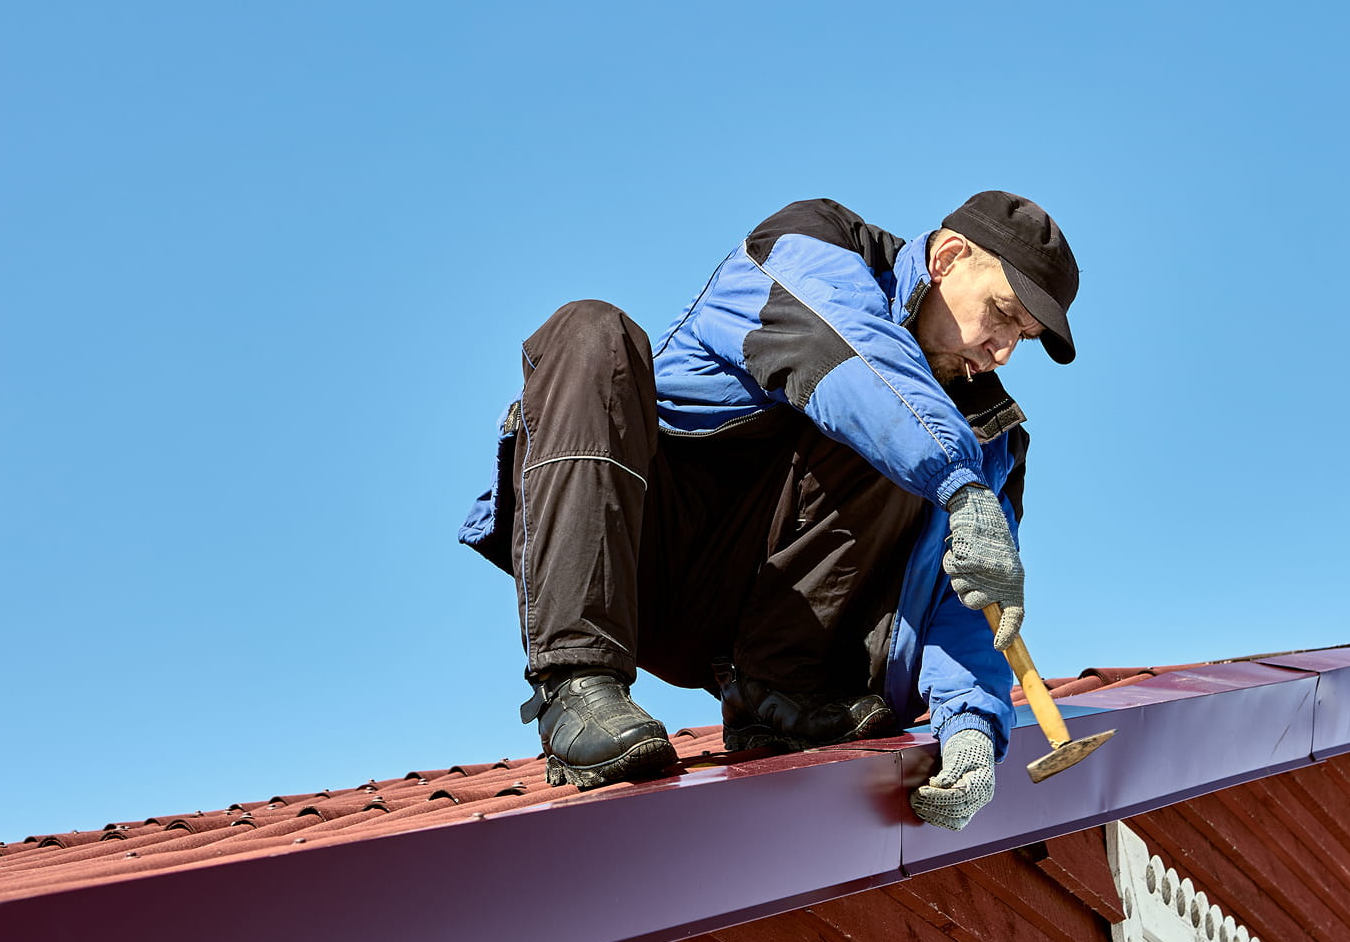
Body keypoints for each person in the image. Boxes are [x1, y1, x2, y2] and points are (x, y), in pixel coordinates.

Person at [459, 191, 1078, 830]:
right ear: (949, 257)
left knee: (919, 428)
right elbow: (844, 350)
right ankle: (578, 687)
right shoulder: (812, 245)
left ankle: (779, 694)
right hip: (637, 557)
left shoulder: (979, 435)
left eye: (1021, 339)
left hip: (784, 630)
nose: (1002, 351)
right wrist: (958, 482)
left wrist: (971, 726)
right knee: (588, 329)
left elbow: (965, 597)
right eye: (1001, 315)